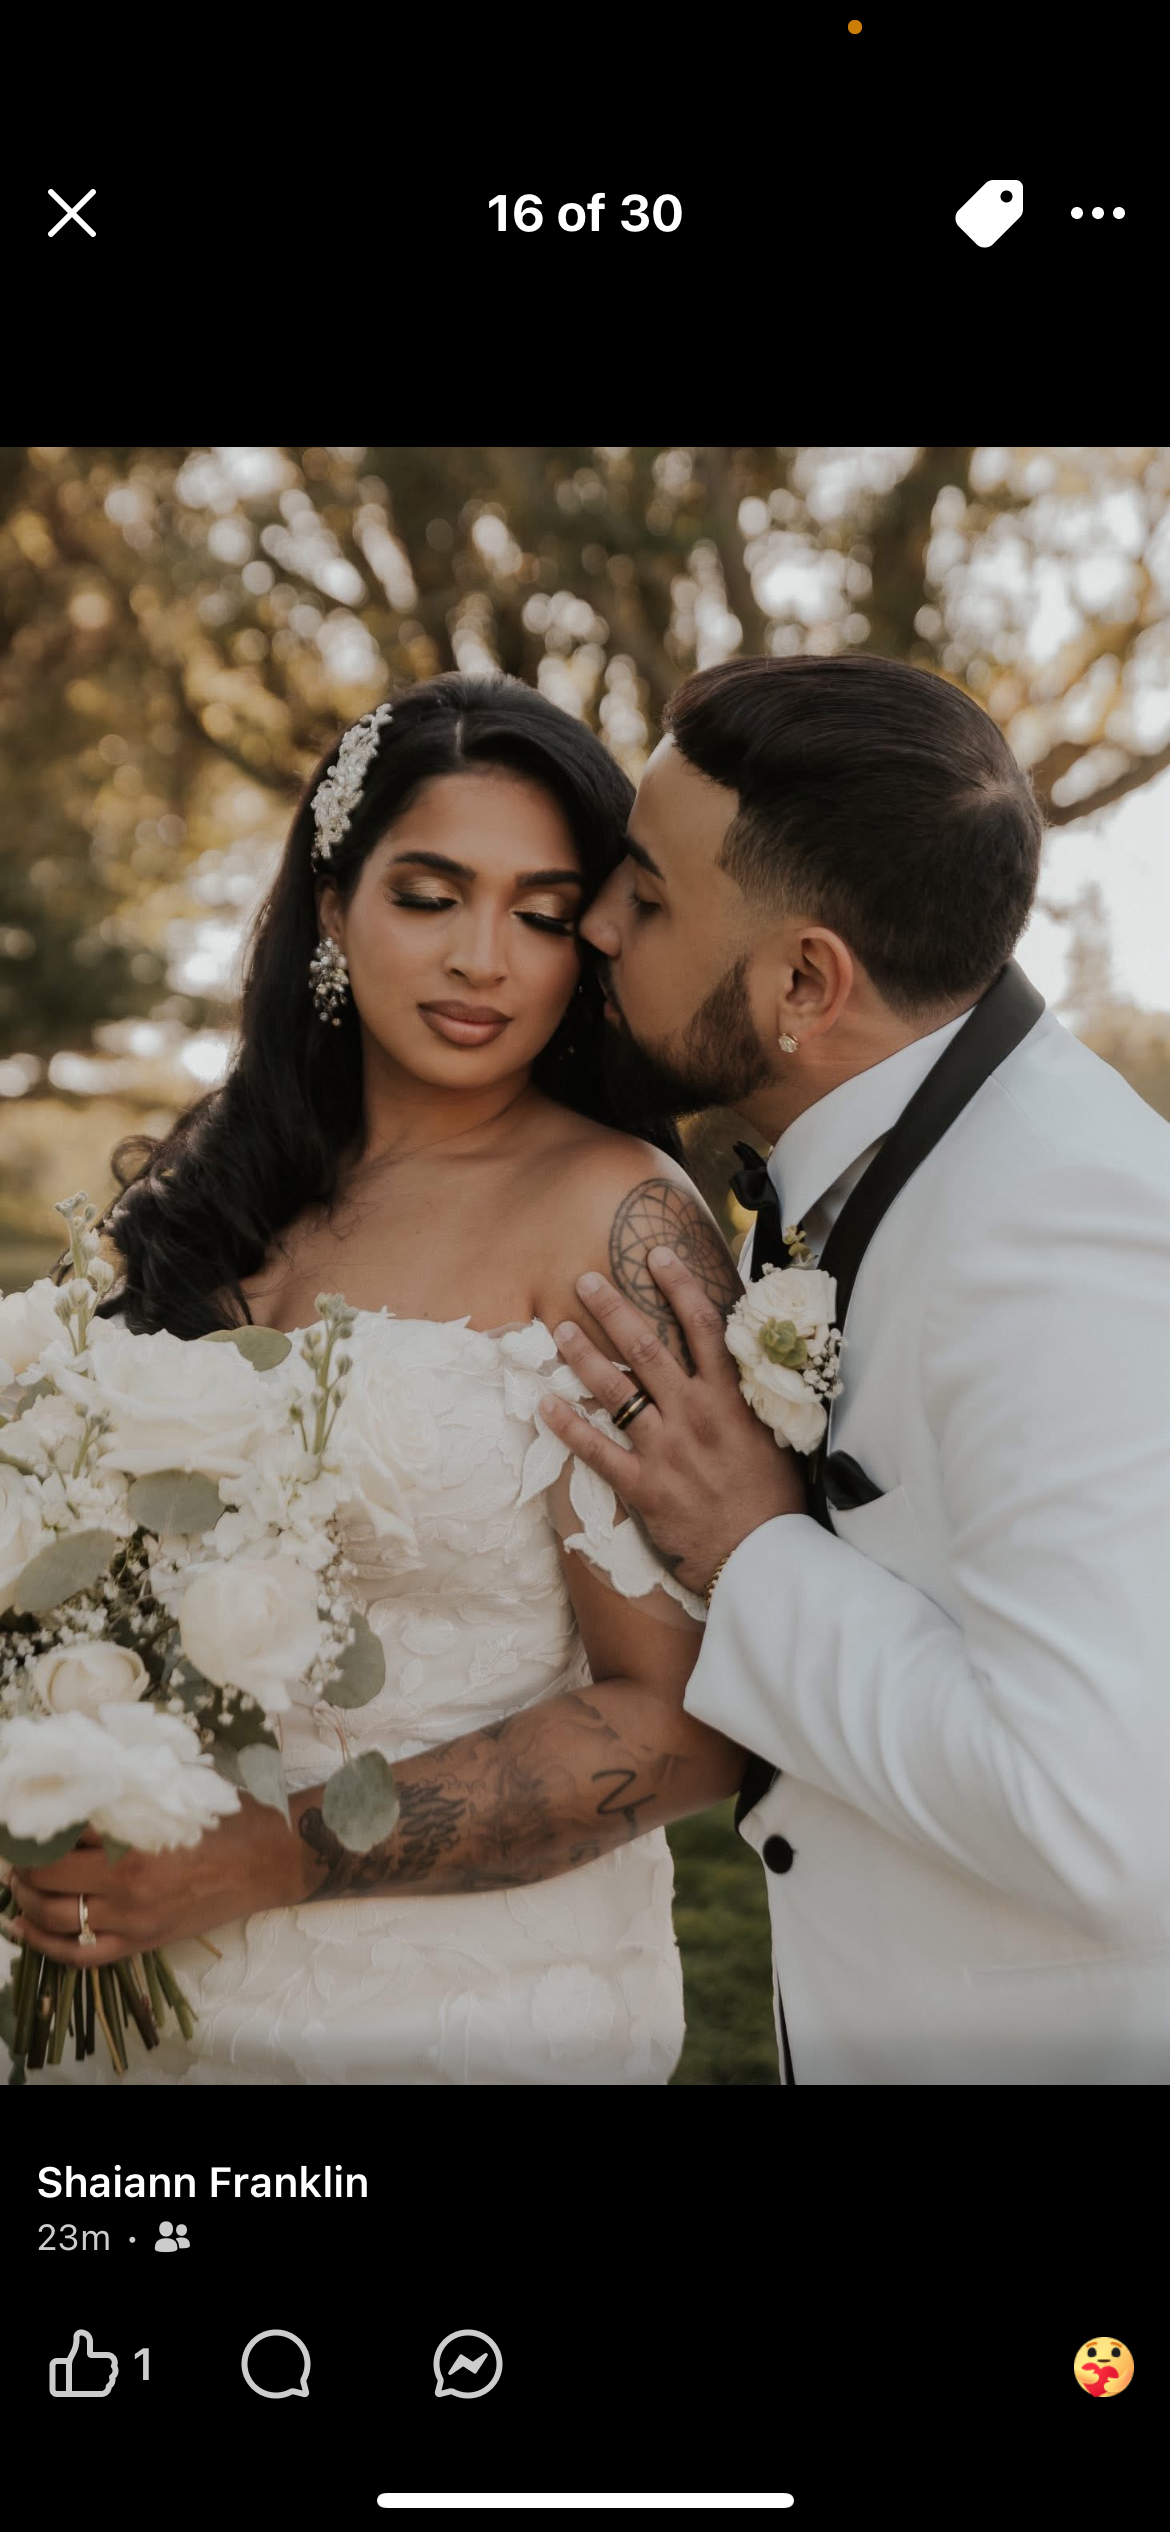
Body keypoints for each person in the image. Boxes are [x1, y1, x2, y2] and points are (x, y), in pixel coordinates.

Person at [3, 671, 764, 2087]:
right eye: (429, 894)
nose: (484, 957)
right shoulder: (220, 1183)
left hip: (453, 2011)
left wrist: (272, 1860)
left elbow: (695, 1711)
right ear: (333, 903)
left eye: (540, 913)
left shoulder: (616, 1217)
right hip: (124, 1983)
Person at [539, 650, 1170, 2085]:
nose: (591, 924)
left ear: (804, 984)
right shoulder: (935, 1145)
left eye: (643, 897)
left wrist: (750, 1551)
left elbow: (1092, 1818)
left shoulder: (1067, 1232)